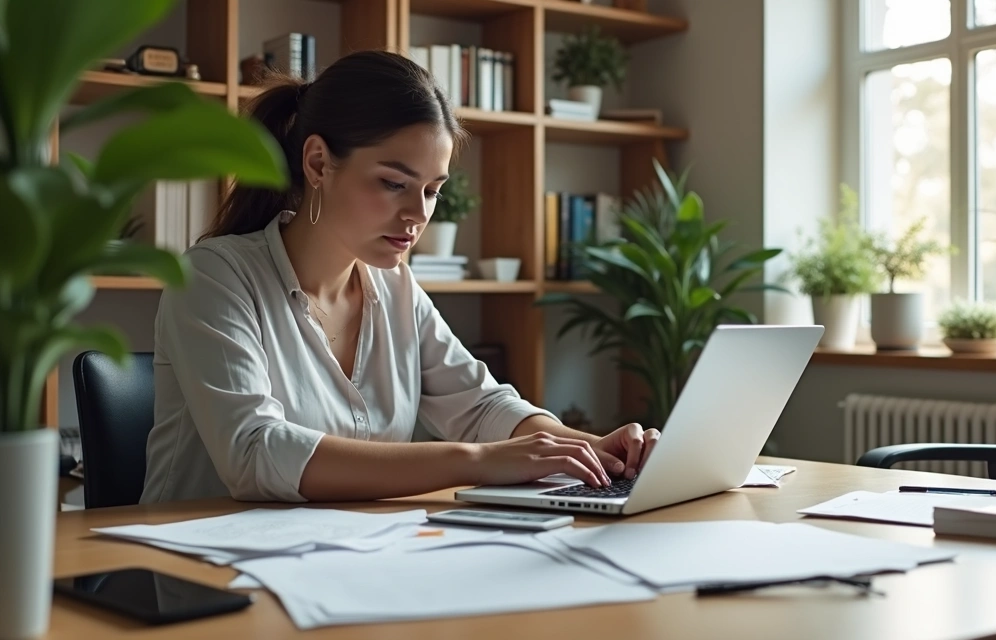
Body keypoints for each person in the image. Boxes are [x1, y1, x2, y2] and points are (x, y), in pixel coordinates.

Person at [140, 50, 660, 504]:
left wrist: (585, 448)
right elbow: (255, 452)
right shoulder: (213, 277)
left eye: (433, 190)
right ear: (318, 162)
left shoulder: (395, 288)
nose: (418, 214)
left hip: (337, 564)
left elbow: (482, 404)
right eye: (394, 183)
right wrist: (480, 460)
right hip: (198, 582)